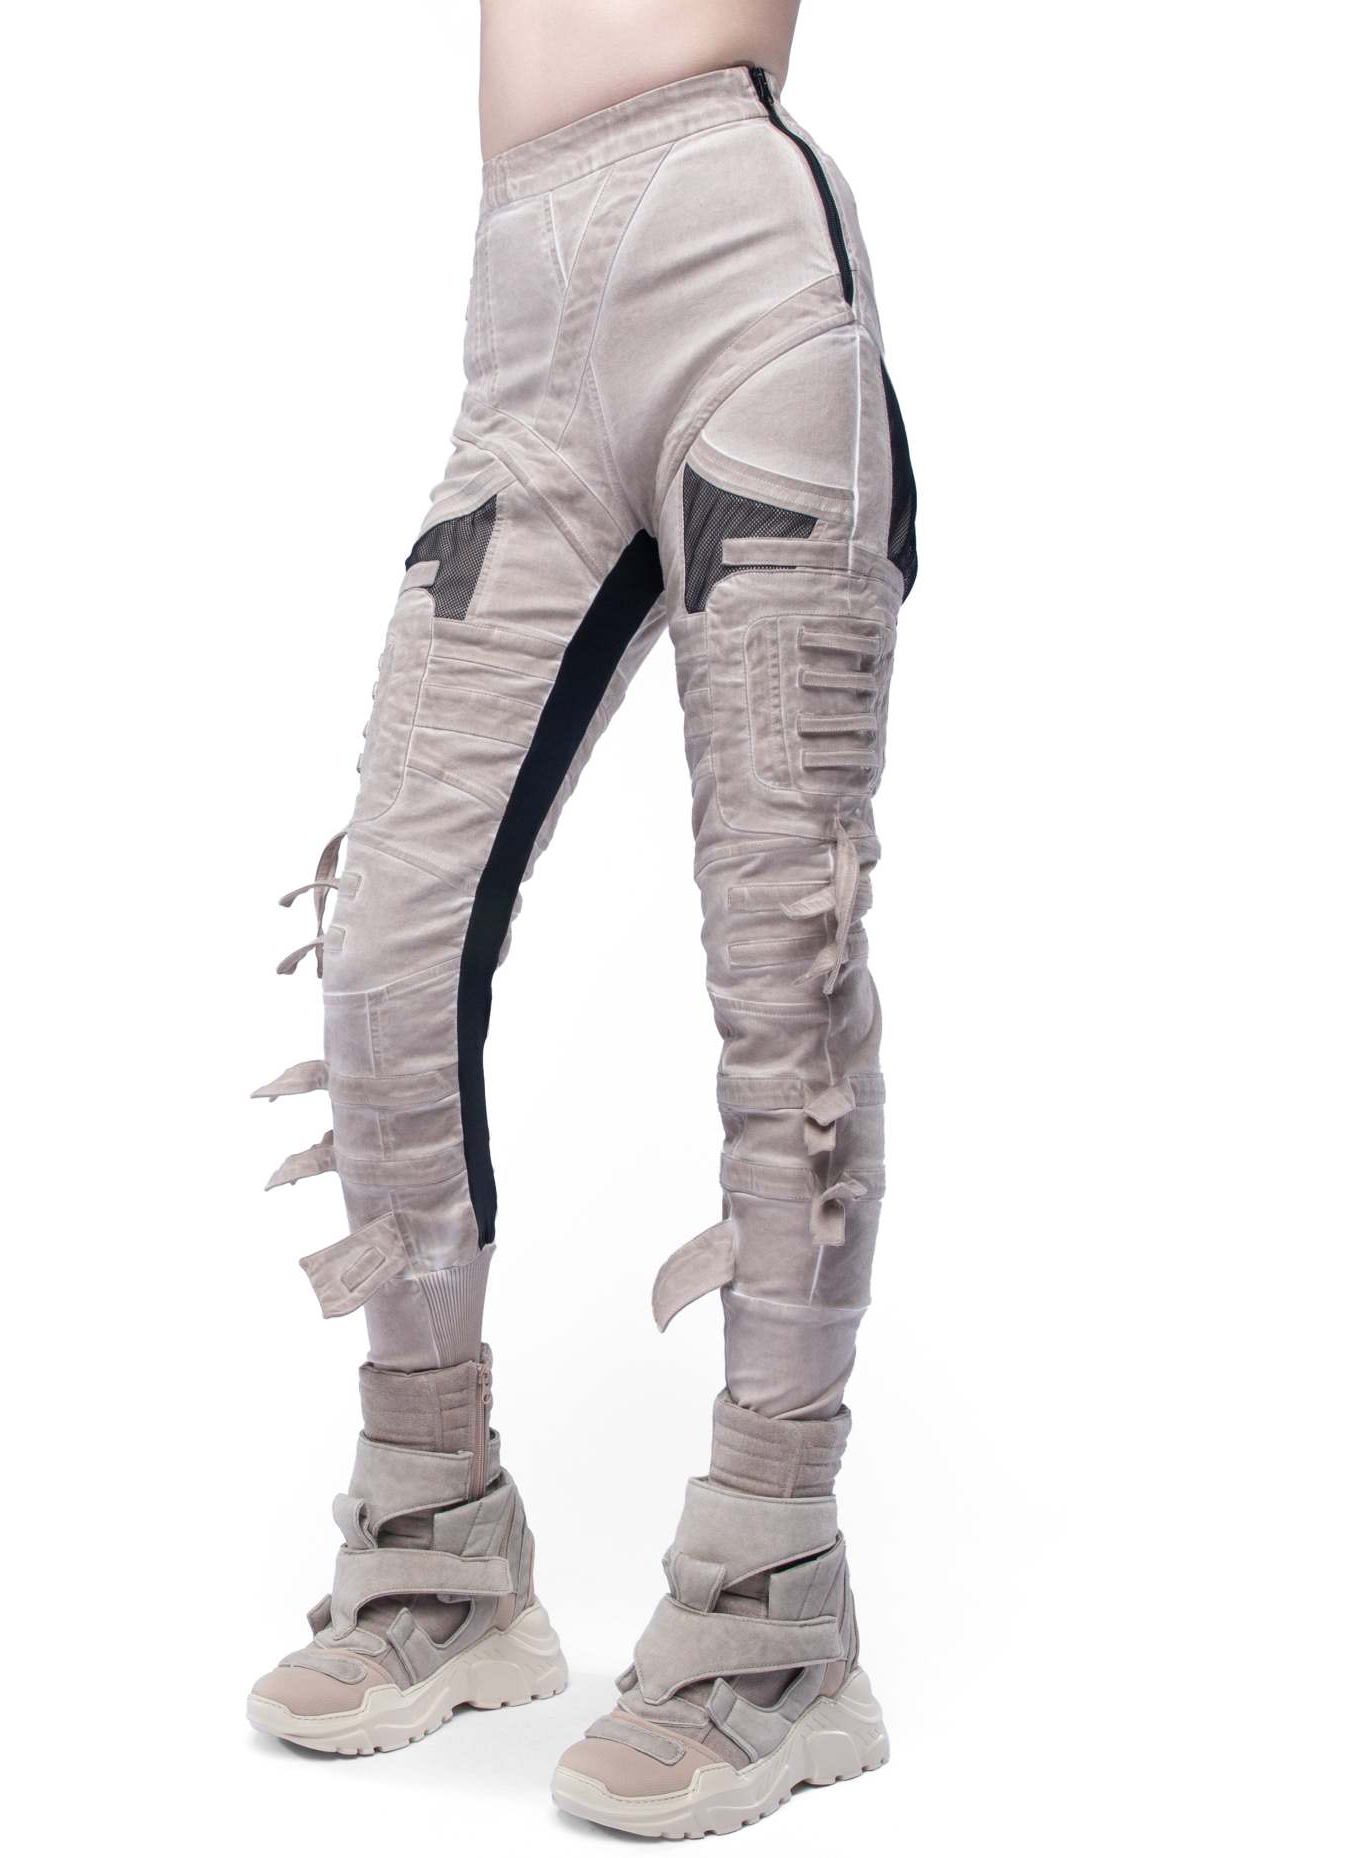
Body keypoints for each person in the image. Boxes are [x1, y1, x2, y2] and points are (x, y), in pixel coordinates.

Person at [245, 1, 916, 1835]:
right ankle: (438, 1542)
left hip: (745, 281)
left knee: (782, 955)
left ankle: (775, 1604)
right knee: (385, 941)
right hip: (523, 325)